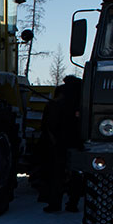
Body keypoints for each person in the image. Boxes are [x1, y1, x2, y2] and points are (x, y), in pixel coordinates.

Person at [37, 75, 84, 212]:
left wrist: (50, 139)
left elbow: (47, 123)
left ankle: (54, 204)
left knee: (56, 174)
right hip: (76, 141)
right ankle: (73, 204)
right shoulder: (83, 97)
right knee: (76, 173)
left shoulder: (58, 97)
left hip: (58, 142)